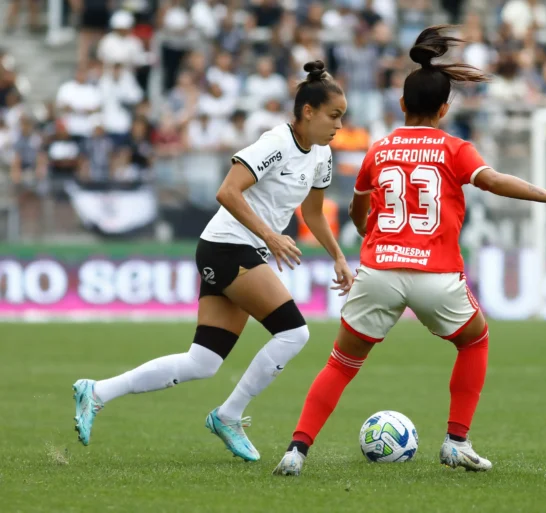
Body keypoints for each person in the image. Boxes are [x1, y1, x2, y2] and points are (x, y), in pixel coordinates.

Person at [272, 26, 546, 476]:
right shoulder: (454, 149)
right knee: (474, 339)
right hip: (436, 276)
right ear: (444, 109)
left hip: (379, 270)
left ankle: (296, 451)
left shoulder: (379, 149)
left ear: (402, 105)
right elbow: (496, 182)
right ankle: (457, 441)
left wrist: (373, 238)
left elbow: (357, 210)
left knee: (342, 364)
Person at [72, 61, 354, 463]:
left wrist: (340, 258)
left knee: (202, 362)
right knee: (294, 333)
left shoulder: (321, 155)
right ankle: (229, 415)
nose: (339, 125)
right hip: (225, 247)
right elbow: (227, 191)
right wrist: (270, 235)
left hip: (241, 249)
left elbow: (312, 215)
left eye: (341, 117)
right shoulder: (275, 143)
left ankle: (96, 391)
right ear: (307, 112)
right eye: (334, 115)